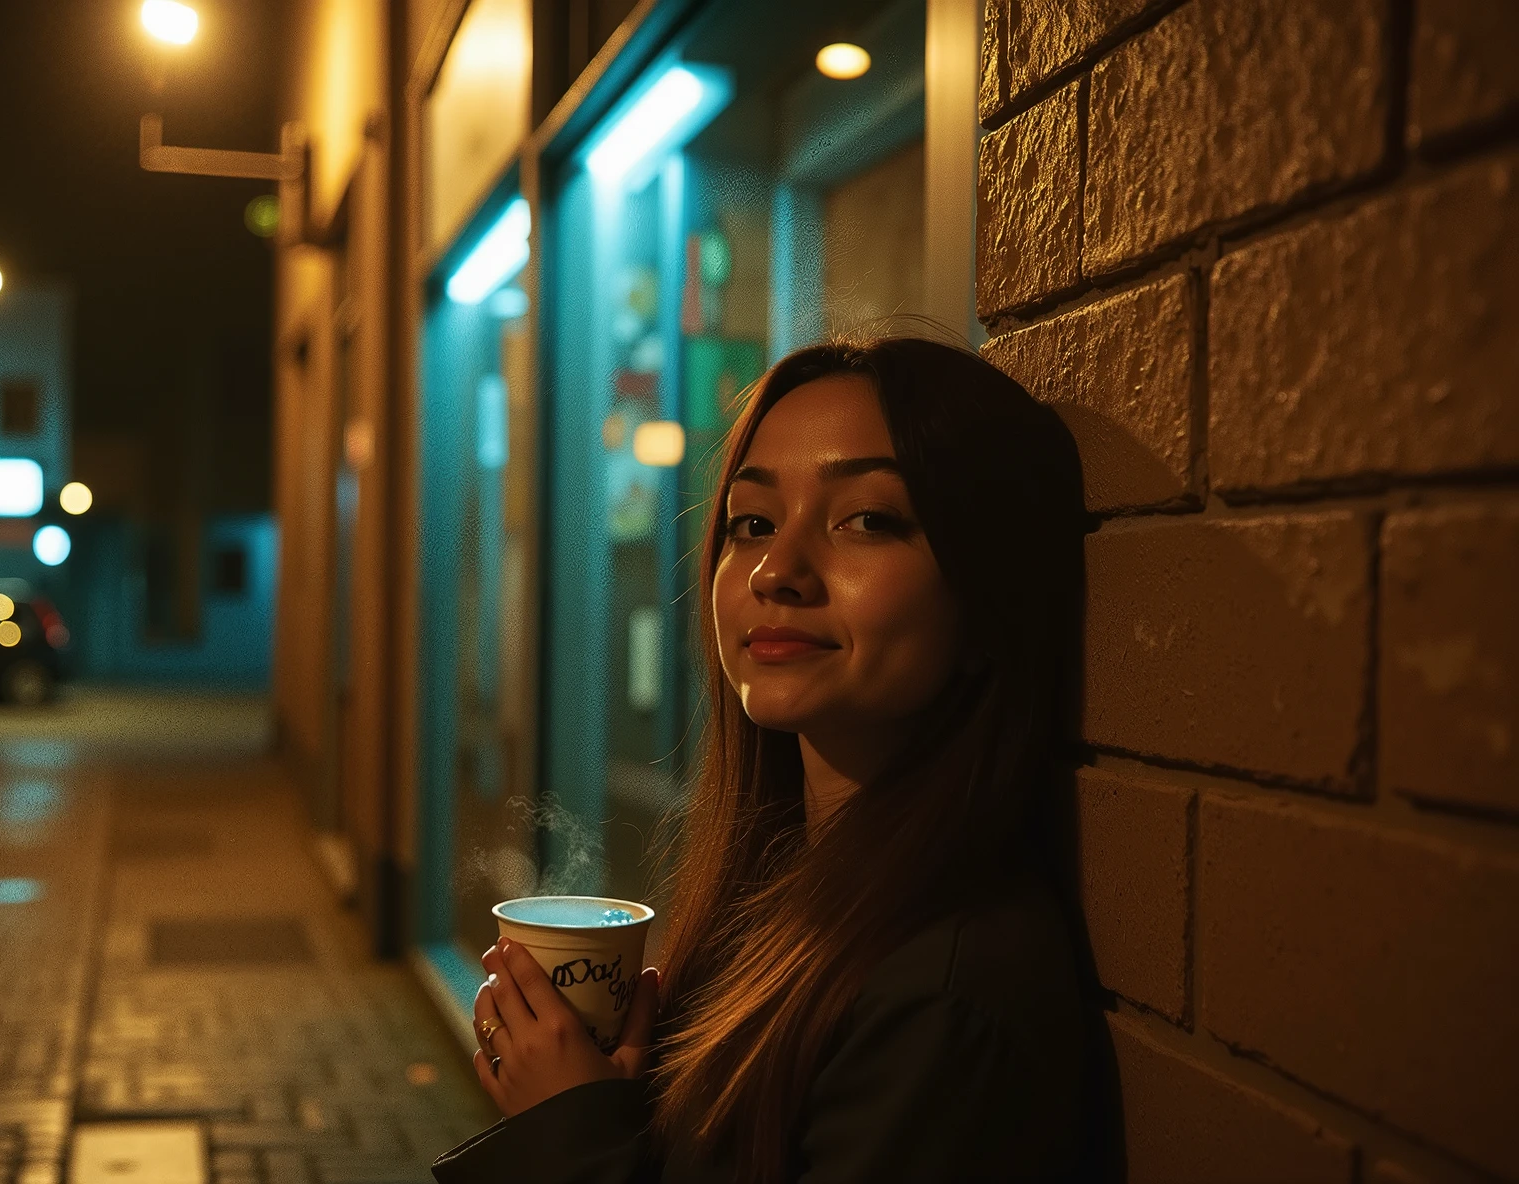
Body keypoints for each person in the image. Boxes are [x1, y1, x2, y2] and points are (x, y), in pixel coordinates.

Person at [433, 337, 1117, 1183]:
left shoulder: (947, 997)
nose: (775, 571)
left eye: (867, 520)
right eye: (751, 523)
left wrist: (571, 1138)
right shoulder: (779, 900)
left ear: (987, 601)